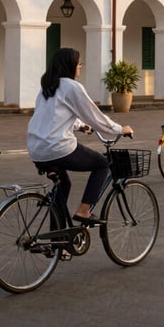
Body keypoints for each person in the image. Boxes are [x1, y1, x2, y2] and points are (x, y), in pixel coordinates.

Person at [27, 47, 133, 225]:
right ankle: (84, 211)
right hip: (57, 147)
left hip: (36, 149)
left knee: (63, 185)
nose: (80, 67)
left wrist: (79, 126)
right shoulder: (72, 86)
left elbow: (53, 117)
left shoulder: (47, 88)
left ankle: (58, 243)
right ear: (69, 65)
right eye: (78, 63)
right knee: (101, 164)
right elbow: (94, 115)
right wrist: (119, 129)